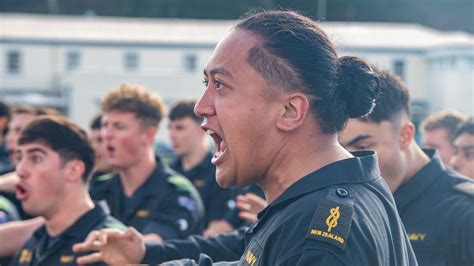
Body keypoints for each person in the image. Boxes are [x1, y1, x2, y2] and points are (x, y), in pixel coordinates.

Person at [73, 11, 416, 265]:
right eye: (204, 84)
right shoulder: (319, 199)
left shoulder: (318, 241)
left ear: (289, 111)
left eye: (220, 85)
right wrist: (147, 254)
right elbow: (248, 254)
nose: (201, 107)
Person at [340, 68, 474, 265]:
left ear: (405, 135)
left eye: (363, 147)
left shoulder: (464, 213)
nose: (353, 161)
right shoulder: (347, 208)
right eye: (342, 151)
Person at [89, 84, 204, 242]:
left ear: (149, 134)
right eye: (105, 125)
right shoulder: (97, 188)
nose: (107, 135)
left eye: (119, 127)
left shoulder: (177, 191)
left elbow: (152, 246)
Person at [10, 116, 126, 266]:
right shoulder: (35, 242)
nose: (20, 171)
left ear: (73, 170)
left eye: (36, 159)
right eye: (19, 158)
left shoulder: (108, 247)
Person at [168, 99, 238, 232]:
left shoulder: (220, 170)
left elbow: (220, 227)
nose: (172, 135)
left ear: (202, 129)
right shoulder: (170, 174)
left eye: (179, 128)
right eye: (170, 128)